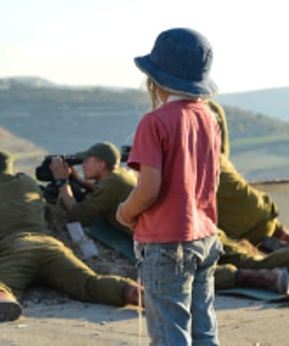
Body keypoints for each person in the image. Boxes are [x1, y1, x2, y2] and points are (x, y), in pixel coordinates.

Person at [53, 141, 289, 293]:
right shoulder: (120, 180)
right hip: (201, 226)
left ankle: (261, 277)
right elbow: (103, 189)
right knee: (251, 259)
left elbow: (76, 212)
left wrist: (62, 181)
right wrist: (78, 181)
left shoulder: (111, 185)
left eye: (86, 161)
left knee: (188, 279)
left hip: (178, 240)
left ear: (102, 164)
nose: (82, 165)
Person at [114, 27, 223, 345]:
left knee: (170, 333)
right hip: (205, 236)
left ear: (156, 80)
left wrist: (125, 212)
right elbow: (212, 181)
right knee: (204, 330)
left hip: (166, 245)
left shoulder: (154, 122)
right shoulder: (209, 117)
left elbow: (149, 190)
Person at [0, 148, 142, 324]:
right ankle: (133, 292)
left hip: (15, 250)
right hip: (51, 247)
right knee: (88, 283)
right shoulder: (28, 183)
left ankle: (0, 300)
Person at [206, 99, 289, 251]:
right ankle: (288, 244)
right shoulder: (213, 109)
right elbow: (223, 151)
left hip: (238, 228)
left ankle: (271, 249)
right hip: (262, 213)